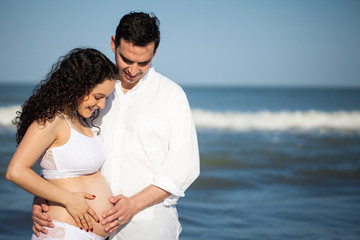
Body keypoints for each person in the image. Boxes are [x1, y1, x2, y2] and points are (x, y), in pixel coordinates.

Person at [32, 11, 200, 240]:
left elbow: (185, 167)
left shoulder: (172, 96)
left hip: (147, 230)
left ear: (155, 51)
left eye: (144, 62)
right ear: (113, 44)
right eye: (126, 59)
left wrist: (133, 204)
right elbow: (62, 148)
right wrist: (43, 196)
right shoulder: (92, 92)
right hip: (86, 229)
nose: (133, 70)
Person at [6, 48, 118, 240]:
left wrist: (43, 192)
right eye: (98, 96)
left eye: (106, 98)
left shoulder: (80, 121)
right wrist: (69, 199)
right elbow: (16, 171)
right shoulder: (52, 120)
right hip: (64, 232)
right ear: (79, 86)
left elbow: (57, 169)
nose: (101, 105)